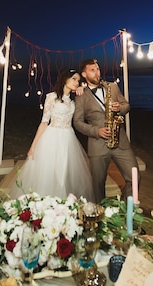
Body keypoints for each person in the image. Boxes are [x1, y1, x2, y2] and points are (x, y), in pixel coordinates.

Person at [7, 69, 95, 202]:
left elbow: (91, 95)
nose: (77, 82)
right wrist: (33, 146)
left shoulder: (73, 101)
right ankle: (46, 203)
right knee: (50, 171)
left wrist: (84, 88)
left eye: (78, 80)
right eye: (74, 79)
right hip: (52, 136)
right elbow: (43, 122)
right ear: (65, 79)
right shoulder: (51, 97)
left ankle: (62, 203)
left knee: (64, 172)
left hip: (68, 138)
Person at [73, 58, 139, 203]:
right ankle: (99, 216)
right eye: (92, 70)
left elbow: (126, 105)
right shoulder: (81, 95)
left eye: (97, 69)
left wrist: (119, 108)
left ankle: (127, 210)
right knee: (97, 185)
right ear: (84, 74)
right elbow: (77, 122)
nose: (97, 72)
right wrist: (97, 131)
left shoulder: (113, 87)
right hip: (98, 144)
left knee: (134, 176)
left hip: (120, 142)